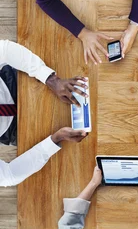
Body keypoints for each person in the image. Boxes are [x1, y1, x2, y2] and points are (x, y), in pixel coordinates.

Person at [0, 39, 88, 186]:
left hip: (16, 82)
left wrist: (50, 79)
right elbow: (8, 176)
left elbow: (3, 49)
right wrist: (54, 140)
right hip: (17, 130)